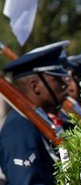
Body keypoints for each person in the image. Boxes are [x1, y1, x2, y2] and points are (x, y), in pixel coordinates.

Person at [0, 46, 70, 185]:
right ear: (35, 86)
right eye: (57, 80)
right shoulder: (19, 126)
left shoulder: (43, 120)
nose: (64, 85)